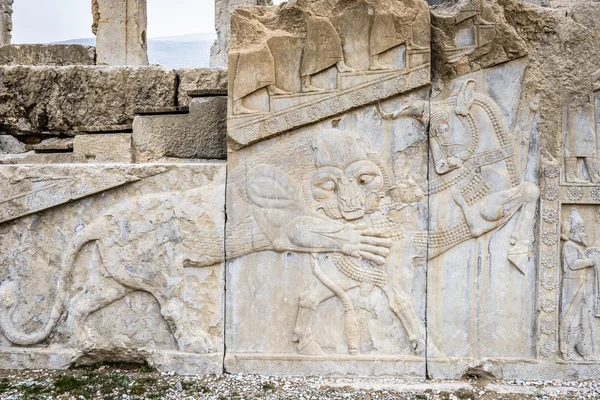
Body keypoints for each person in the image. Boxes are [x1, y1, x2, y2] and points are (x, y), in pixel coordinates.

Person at [560, 209, 598, 360]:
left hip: (581, 287)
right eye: (581, 230)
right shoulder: (569, 245)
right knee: (571, 319)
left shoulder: (577, 247)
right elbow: (572, 264)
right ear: (573, 231)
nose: (584, 233)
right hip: (571, 287)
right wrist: (590, 261)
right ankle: (567, 352)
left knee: (583, 319)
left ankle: (585, 352)